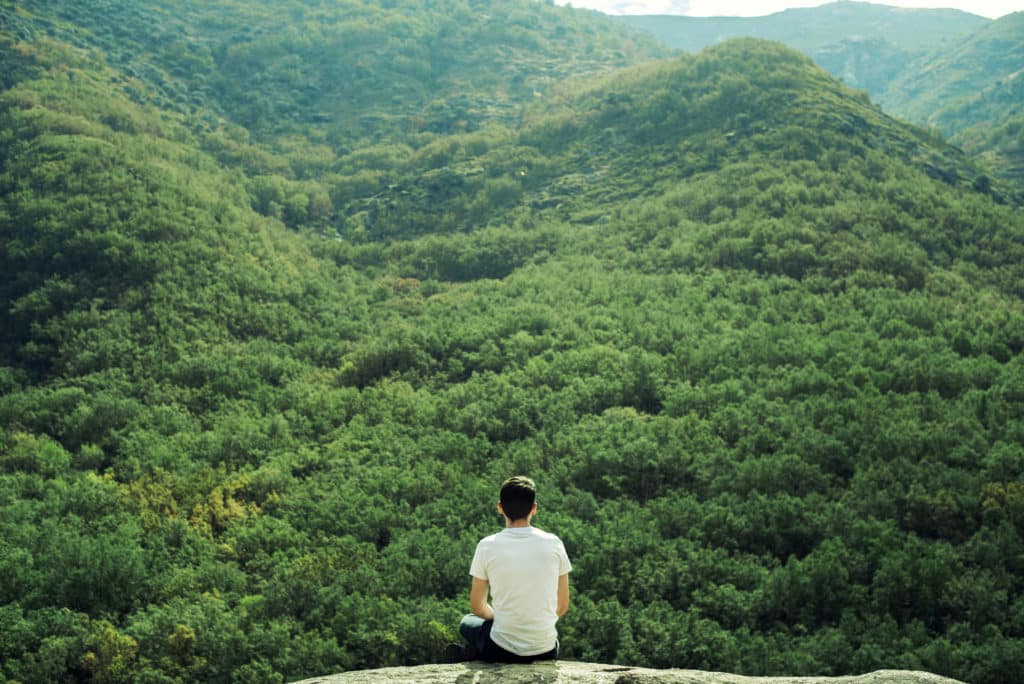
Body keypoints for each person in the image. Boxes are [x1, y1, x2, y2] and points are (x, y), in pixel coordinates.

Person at [445, 475, 572, 663]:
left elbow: (478, 607)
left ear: (500, 507)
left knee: (467, 622)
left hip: (500, 650)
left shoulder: (487, 546)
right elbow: (561, 607)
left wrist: (501, 618)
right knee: (548, 637)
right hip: (545, 650)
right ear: (534, 508)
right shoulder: (554, 544)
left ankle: (474, 655)